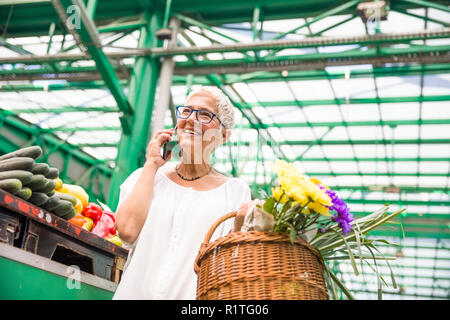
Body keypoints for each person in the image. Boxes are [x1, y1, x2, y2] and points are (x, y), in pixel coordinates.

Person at [112, 86, 252, 299]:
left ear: (223, 135)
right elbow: (127, 231)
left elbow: (234, 261)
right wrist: (151, 164)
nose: (192, 119)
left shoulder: (234, 191)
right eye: (186, 111)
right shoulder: (148, 176)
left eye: (205, 114)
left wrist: (242, 225)